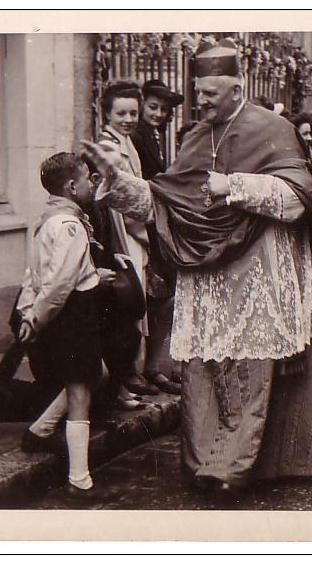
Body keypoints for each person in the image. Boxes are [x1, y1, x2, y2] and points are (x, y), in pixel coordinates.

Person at [81, 38, 312, 493]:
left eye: (210, 92)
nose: (200, 100)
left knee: (255, 368)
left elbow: (297, 200)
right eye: (198, 90)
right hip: (207, 279)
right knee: (205, 368)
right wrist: (119, 178)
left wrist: (234, 186)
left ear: (236, 87)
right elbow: (164, 206)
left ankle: (239, 465)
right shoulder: (193, 137)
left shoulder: (273, 127)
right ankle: (206, 460)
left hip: (258, 272)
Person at [14, 152, 116, 494]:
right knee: (80, 392)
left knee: (96, 373)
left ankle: (39, 431)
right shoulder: (71, 225)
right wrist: (36, 317)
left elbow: (37, 273)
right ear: (72, 186)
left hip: (63, 311)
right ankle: (80, 480)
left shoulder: (47, 220)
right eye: (88, 178)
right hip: (73, 314)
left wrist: (30, 309)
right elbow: (60, 282)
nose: (92, 183)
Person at [96, 80, 156, 404]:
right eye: (121, 113)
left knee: (134, 308)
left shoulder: (127, 142)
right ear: (107, 113)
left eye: (133, 112)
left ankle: (128, 379)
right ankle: (123, 382)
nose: (129, 118)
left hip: (131, 229)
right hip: (122, 232)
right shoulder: (109, 146)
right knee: (126, 308)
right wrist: (145, 234)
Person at [131, 79, 185, 395]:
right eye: (153, 107)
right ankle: (144, 370)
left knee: (162, 298)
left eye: (163, 110)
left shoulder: (153, 135)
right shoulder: (137, 136)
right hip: (143, 223)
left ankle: (154, 366)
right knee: (152, 297)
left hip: (155, 220)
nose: (158, 114)